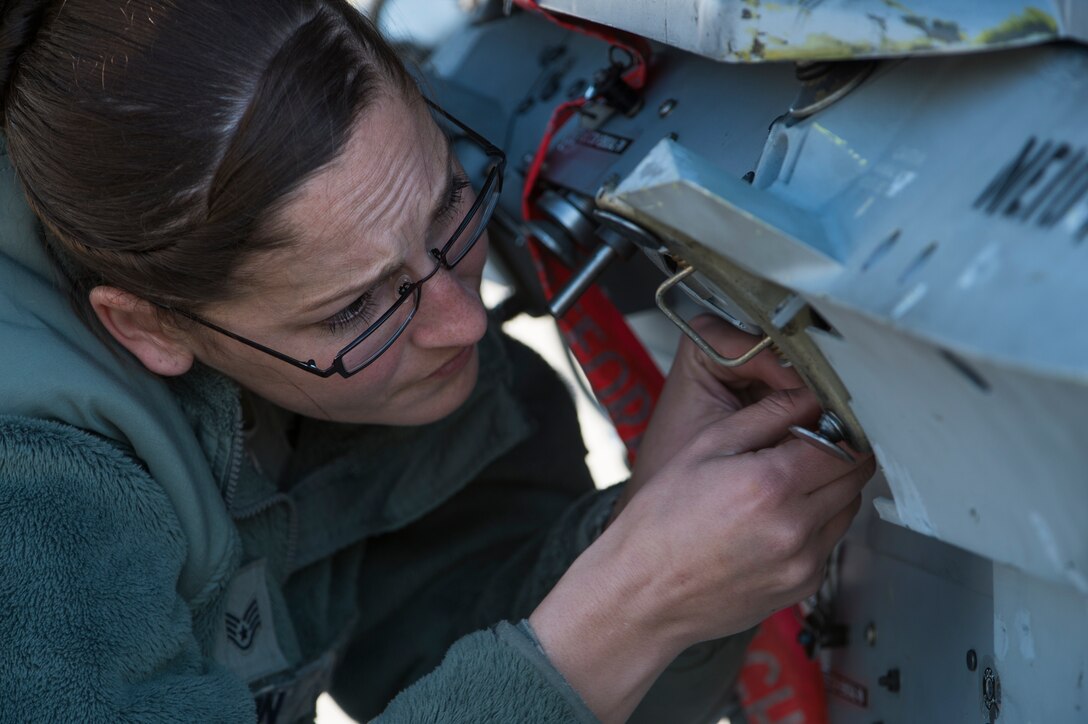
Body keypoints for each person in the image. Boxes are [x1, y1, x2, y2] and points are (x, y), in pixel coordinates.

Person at [0, 1, 874, 722]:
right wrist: (628, 610)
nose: (461, 324)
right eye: (353, 307)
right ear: (148, 326)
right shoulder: (32, 496)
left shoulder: (377, 355)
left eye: (450, 202)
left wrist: (651, 538)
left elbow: (461, 647)